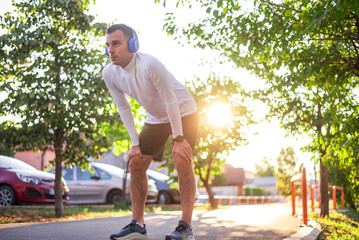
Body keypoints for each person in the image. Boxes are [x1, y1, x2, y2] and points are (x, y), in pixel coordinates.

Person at [103, 23, 198, 240]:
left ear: (132, 43)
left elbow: (170, 100)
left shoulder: (150, 65)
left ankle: (186, 227)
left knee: (181, 158)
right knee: (135, 162)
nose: (111, 49)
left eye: (116, 43)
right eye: (108, 45)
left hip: (183, 111)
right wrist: (135, 144)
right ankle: (138, 226)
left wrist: (179, 138)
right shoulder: (109, 73)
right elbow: (123, 107)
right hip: (155, 118)